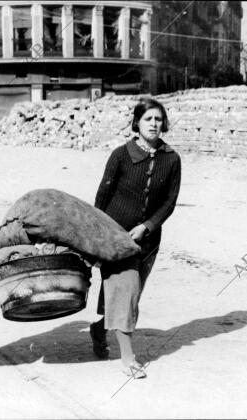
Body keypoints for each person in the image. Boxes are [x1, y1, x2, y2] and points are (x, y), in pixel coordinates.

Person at [90, 98, 182, 378]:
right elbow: (102, 197)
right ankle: (128, 360)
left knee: (130, 297)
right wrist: (97, 237)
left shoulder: (172, 159)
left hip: (148, 241)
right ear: (136, 123)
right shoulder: (120, 155)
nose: (154, 124)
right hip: (116, 240)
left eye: (158, 119)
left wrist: (147, 226)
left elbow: (169, 202)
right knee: (126, 295)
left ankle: (99, 328)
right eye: (148, 119)